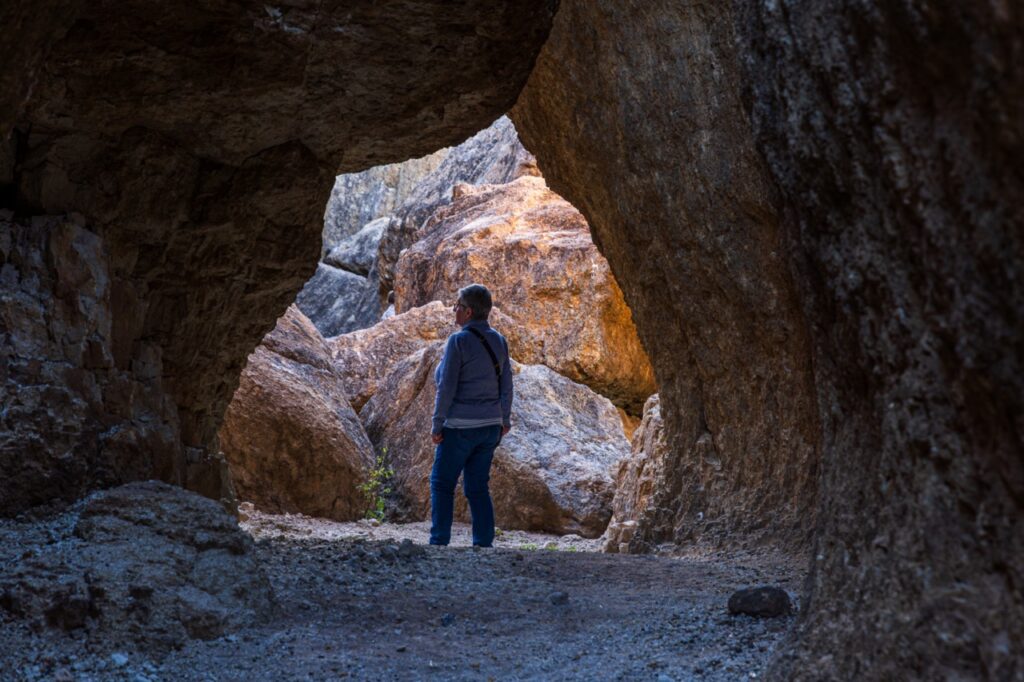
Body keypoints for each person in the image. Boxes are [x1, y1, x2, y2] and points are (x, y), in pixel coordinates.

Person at [429, 283, 513, 547]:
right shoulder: (499, 340)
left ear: (467, 312)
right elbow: (507, 384)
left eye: (457, 305)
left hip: (459, 427)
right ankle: (483, 543)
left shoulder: (458, 341)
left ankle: (439, 542)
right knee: (477, 487)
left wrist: (437, 424)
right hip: (490, 427)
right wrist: (505, 420)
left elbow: (447, 386)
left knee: (442, 483)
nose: (454, 310)